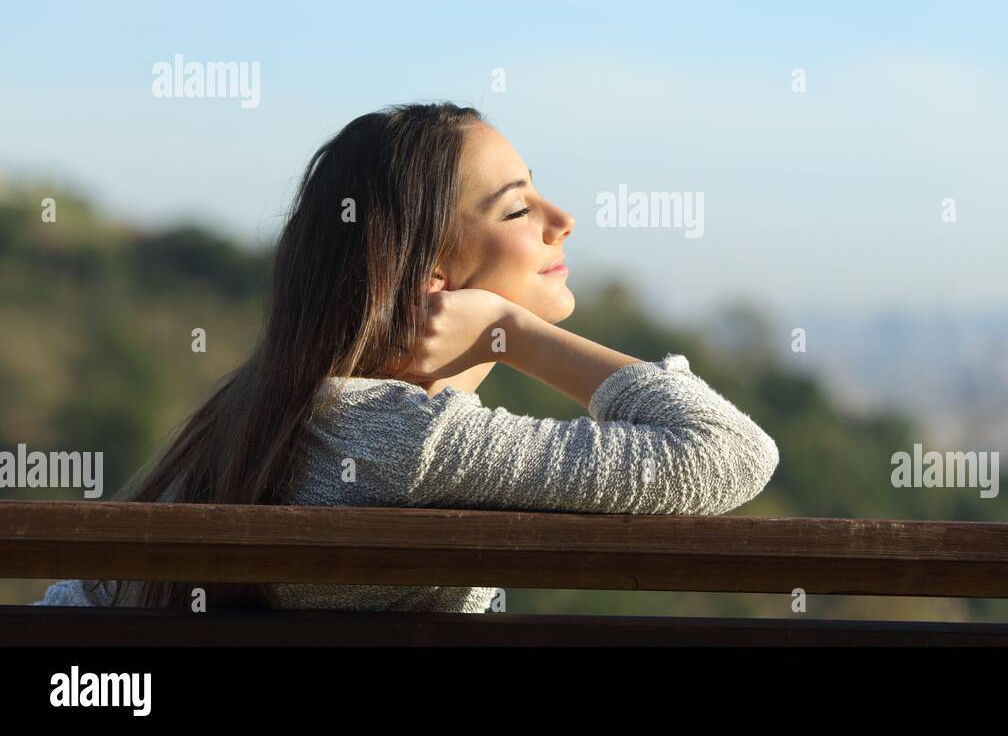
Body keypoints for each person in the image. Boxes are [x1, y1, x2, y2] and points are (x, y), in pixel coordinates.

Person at [31, 101, 780, 612]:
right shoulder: (408, 442)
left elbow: (82, 603)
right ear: (434, 281)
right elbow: (726, 452)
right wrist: (511, 333)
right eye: (518, 208)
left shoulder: (269, 412)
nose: (562, 220)